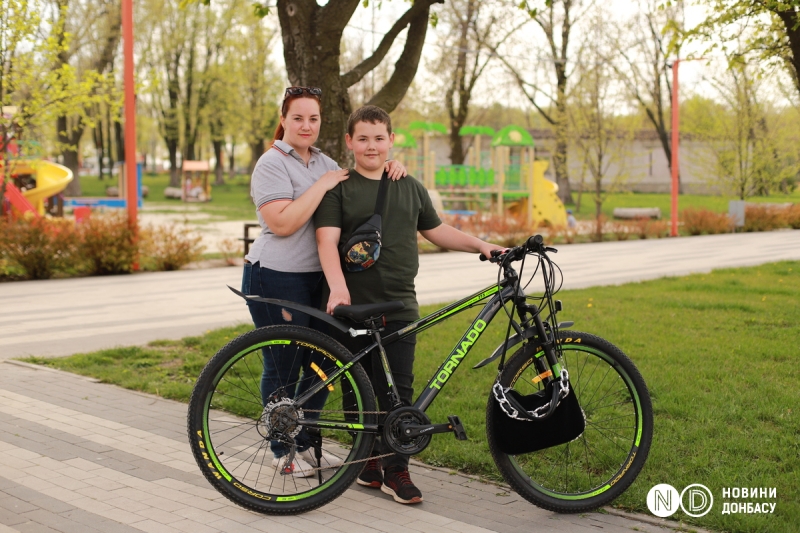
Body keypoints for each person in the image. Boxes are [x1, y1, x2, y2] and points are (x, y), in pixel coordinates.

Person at [315, 105, 503, 504]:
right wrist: (336, 288)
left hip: (400, 304)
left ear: (391, 140)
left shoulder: (409, 185)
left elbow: (437, 231)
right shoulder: (339, 188)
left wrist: (482, 246)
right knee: (357, 388)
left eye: (379, 138)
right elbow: (326, 241)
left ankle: (397, 469)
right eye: (362, 138)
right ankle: (366, 460)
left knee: (399, 391)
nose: (371, 146)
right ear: (350, 142)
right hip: (353, 305)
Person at [244, 88, 406, 477]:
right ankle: (283, 451)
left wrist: (393, 167)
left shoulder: (323, 161)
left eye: (313, 119)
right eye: (298, 118)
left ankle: (305, 443)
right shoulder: (271, 164)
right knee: (283, 363)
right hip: (275, 277)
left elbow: (362, 173)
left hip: (314, 279)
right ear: (283, 119)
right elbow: (282, 223)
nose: (306, 125)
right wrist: (322, 185)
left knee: (320, 362)